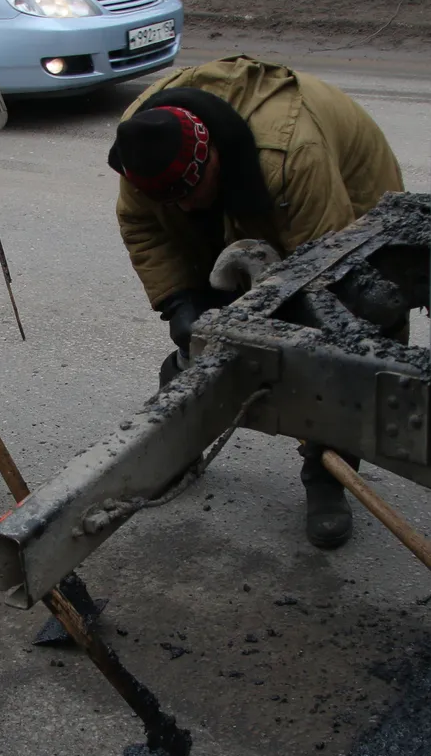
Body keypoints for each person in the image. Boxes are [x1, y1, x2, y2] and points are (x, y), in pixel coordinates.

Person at [108, 55, 403, 550]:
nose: (179, 208)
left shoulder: (291, 155)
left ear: (215, 160)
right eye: (169, 200)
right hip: (244, 199)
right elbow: (141, 225)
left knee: (342, 344)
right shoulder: (143, 145)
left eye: (188, 193)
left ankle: (327, 477)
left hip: (345, 215)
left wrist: (280, 328)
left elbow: (328, 274)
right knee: (211, 329)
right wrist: (181, 301)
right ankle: (179, 434)